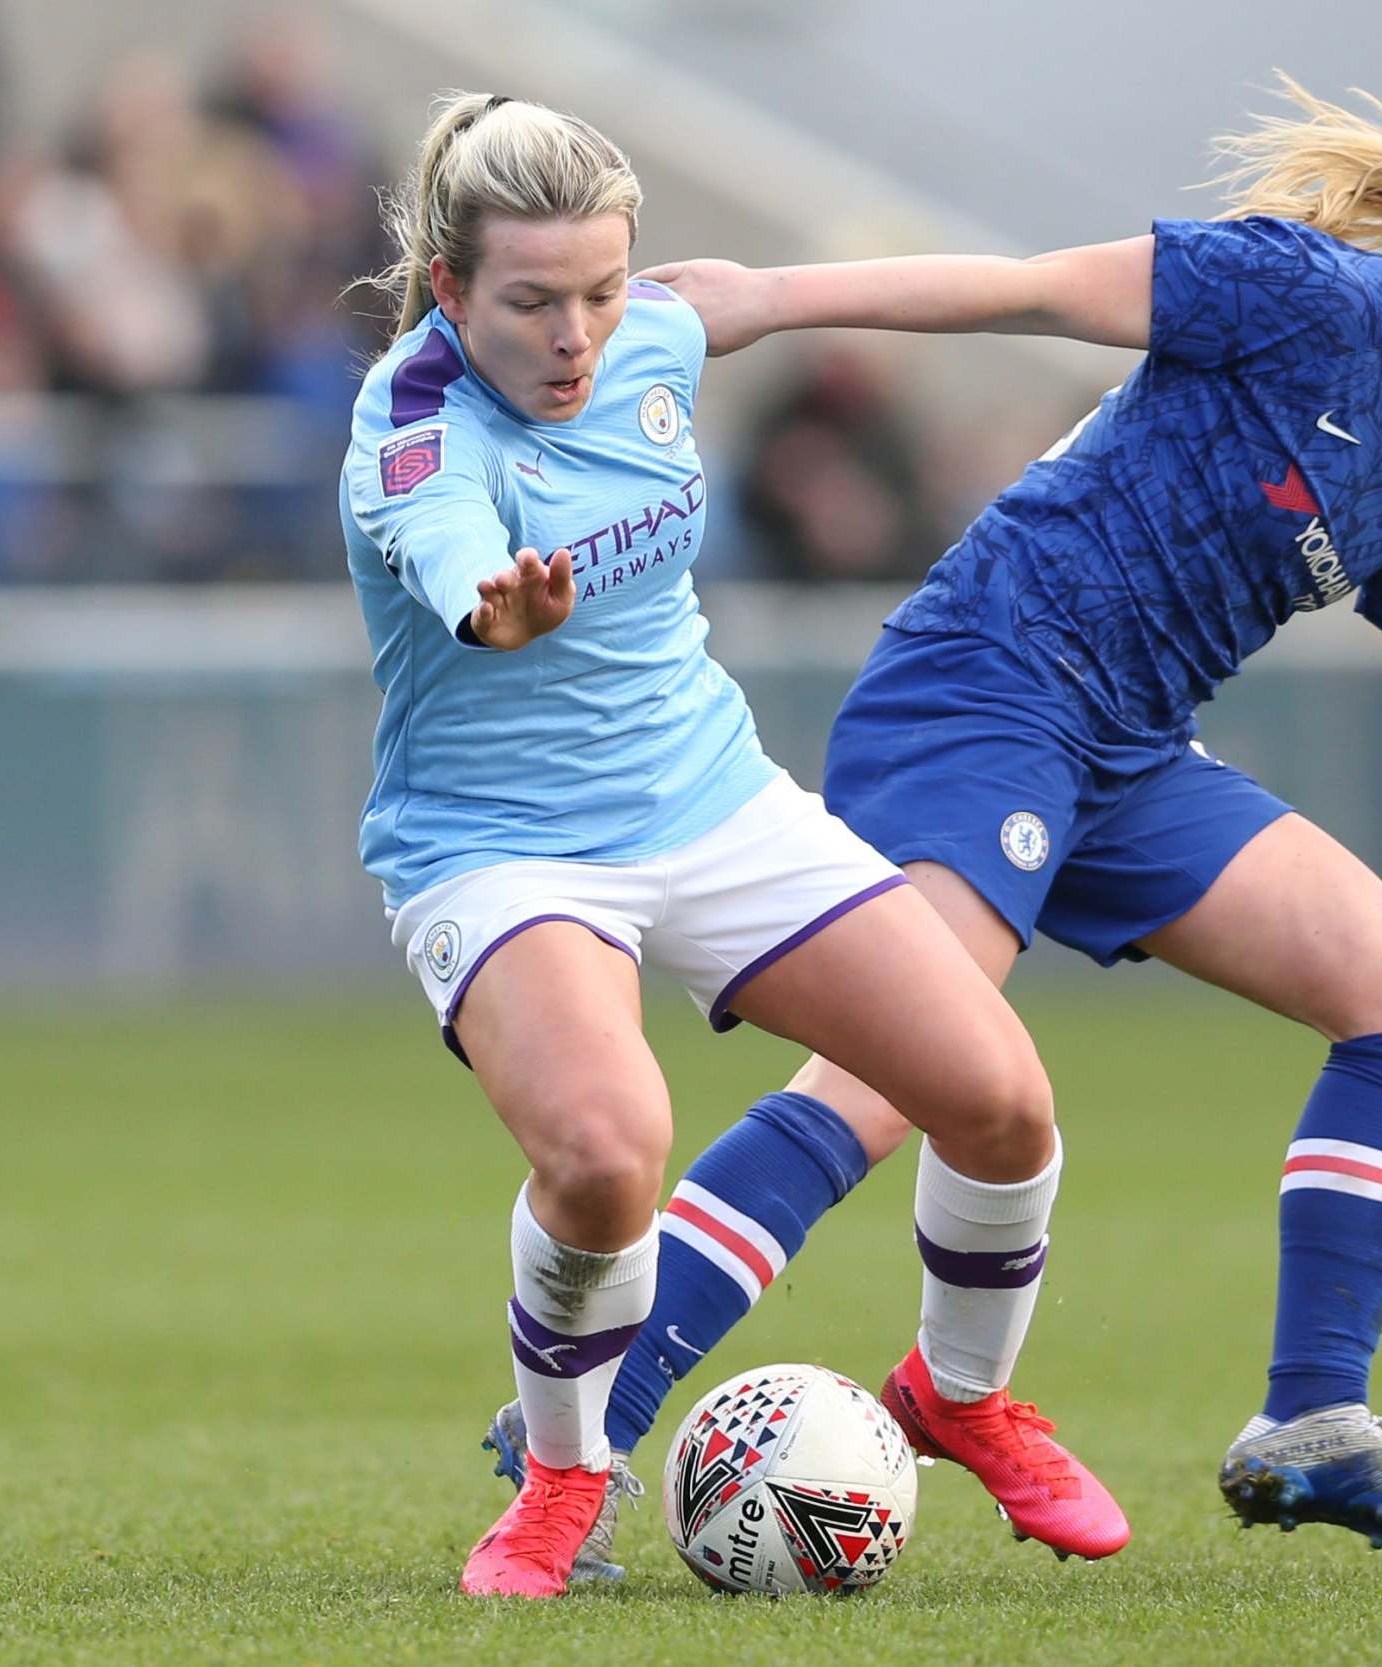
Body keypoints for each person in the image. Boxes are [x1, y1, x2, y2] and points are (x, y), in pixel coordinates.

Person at [484, 78, 1382, 1567]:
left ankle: (1308, 1422)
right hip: (985, 688)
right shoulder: (1292, 292)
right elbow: (1026, 291)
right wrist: (767, 297)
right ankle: (579, 1421)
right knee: (897, 1081)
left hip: (1129, 754)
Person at [341, 92, 1128, 1599]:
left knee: (1000, 1102)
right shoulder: (413, 424)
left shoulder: (662, 325)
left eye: (597, 292)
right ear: (448, 290)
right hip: (502, 847)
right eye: (529, 302)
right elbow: (459, 573)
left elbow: (889, 288)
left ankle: (957, 1397)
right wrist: (503, 608)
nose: (575, 335)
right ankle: (565, 1480)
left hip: (707, 799)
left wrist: (1090, 297)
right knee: (602, 1153)